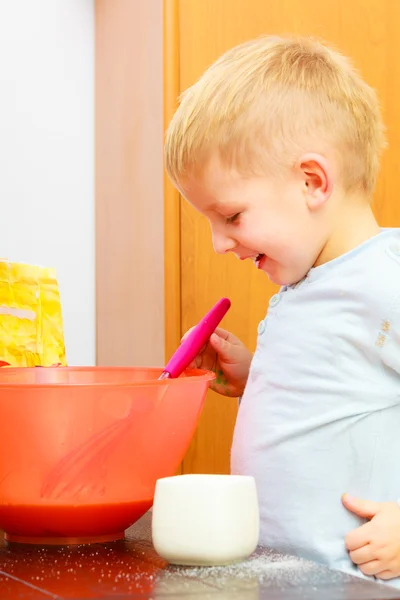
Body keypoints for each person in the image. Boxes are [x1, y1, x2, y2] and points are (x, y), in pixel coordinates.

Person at [164, 35, 400, 585]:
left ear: (311, 181)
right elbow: (342, 388)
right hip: (285, 576)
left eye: (232, 216)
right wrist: (257, 376)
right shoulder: (311, 281)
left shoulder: (383, 280)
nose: (220, 243)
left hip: (356, 581)